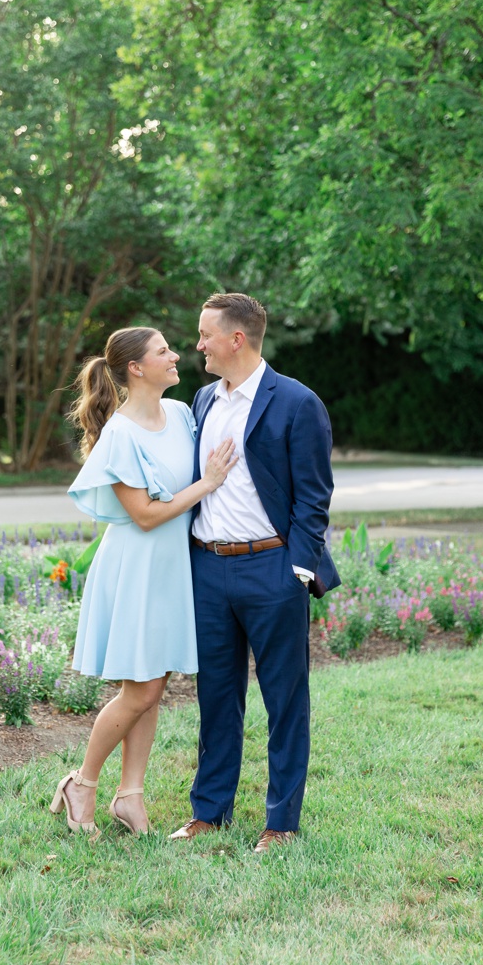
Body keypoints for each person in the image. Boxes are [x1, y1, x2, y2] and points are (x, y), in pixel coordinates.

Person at [169, 292, 338, 853]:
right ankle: (209, 812)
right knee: (217, 696)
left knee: (285, 699)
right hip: (208, 568)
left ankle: (281, 824)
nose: (198, 345)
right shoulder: (200, 399)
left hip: (272, 568)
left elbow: (314, 498)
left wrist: (296, 569)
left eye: (205, 335)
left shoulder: (296, 402)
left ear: (236, 339)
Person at [51, 327, 236, 835]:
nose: (175, 355)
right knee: (141, 688)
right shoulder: (120, 434)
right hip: (136, 567)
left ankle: (130, 796)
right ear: (137, 368)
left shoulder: (179, 415)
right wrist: (208, 484)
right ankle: (82, 784)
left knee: (154, 683)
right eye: (163, 351)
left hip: (172, 567)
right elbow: (146, 515)